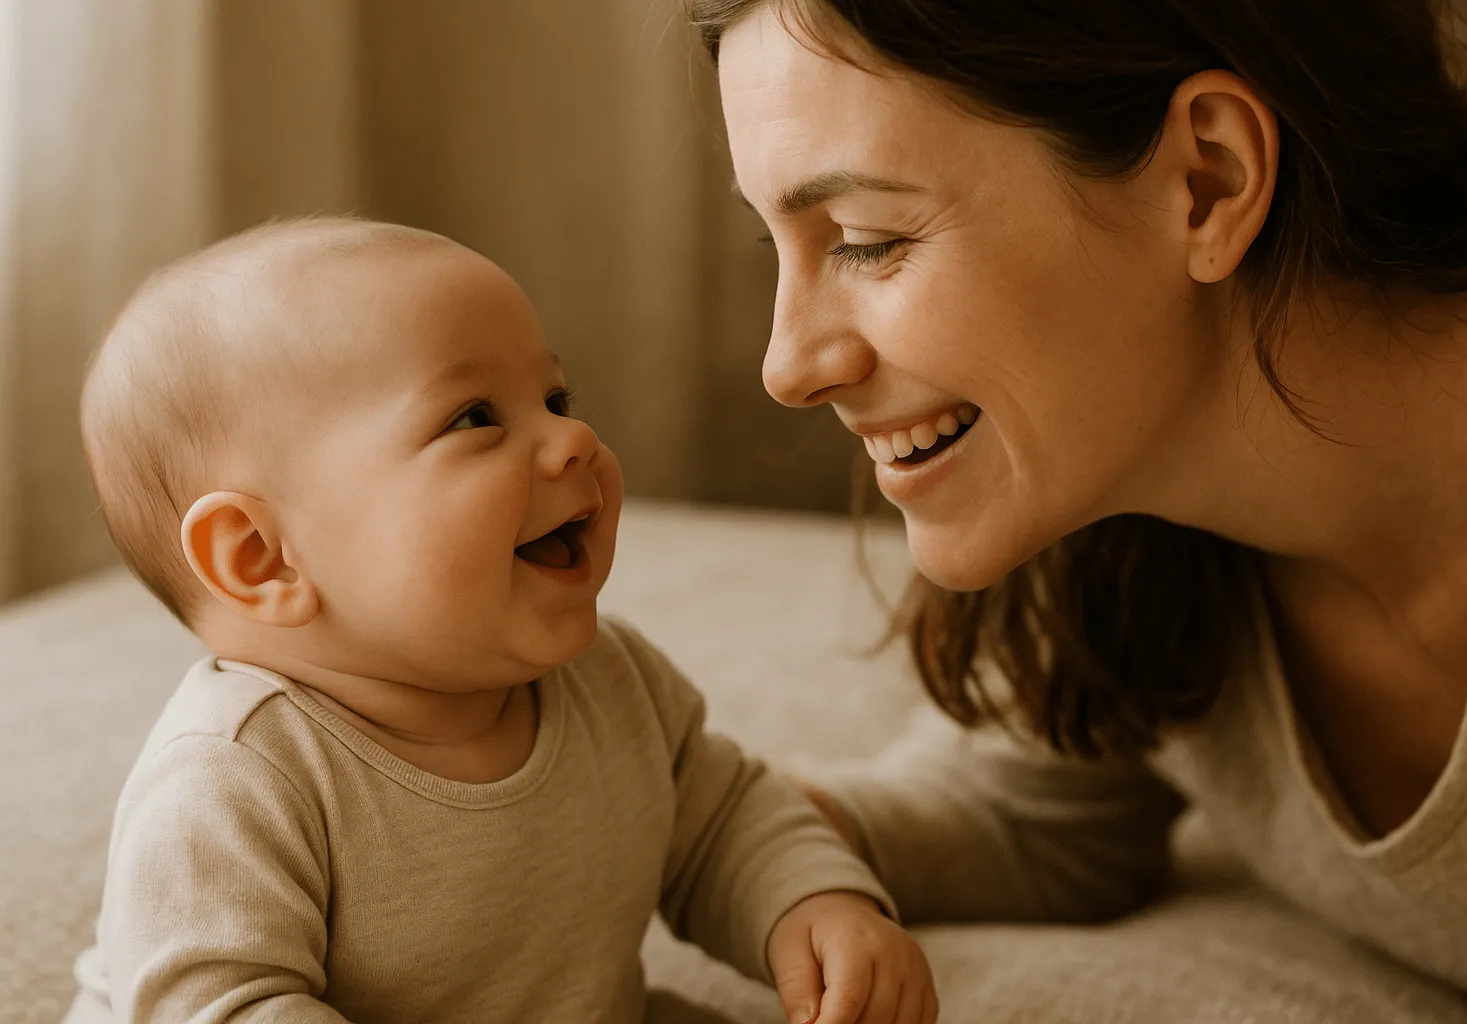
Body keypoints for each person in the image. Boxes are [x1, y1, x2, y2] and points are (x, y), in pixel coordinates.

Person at [688, 0, 1467, 1016]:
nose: (788, 366)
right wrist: (680, 826)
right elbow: (1034, 810)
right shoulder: (1126, 508)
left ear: (1206, 181)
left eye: (868, 239)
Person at [66, 217, 937, 1024]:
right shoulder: (234, 782)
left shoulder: (610, 680)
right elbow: (221, 1004)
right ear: (263, 557)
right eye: (474, 418)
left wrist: (815, 904)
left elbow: (722, 820)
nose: (574, 441)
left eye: (555, 399)